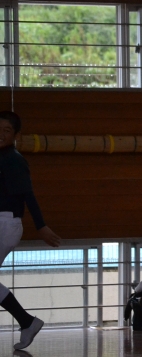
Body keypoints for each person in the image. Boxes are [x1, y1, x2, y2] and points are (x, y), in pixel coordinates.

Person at [0, 111, 61, 350]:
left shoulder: (13, 160)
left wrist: (41, 225)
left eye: (6, 130)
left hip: (5, 223)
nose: (1, 134)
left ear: (16, 135)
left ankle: (27, 321)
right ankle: (26, 321)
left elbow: (28, 194)